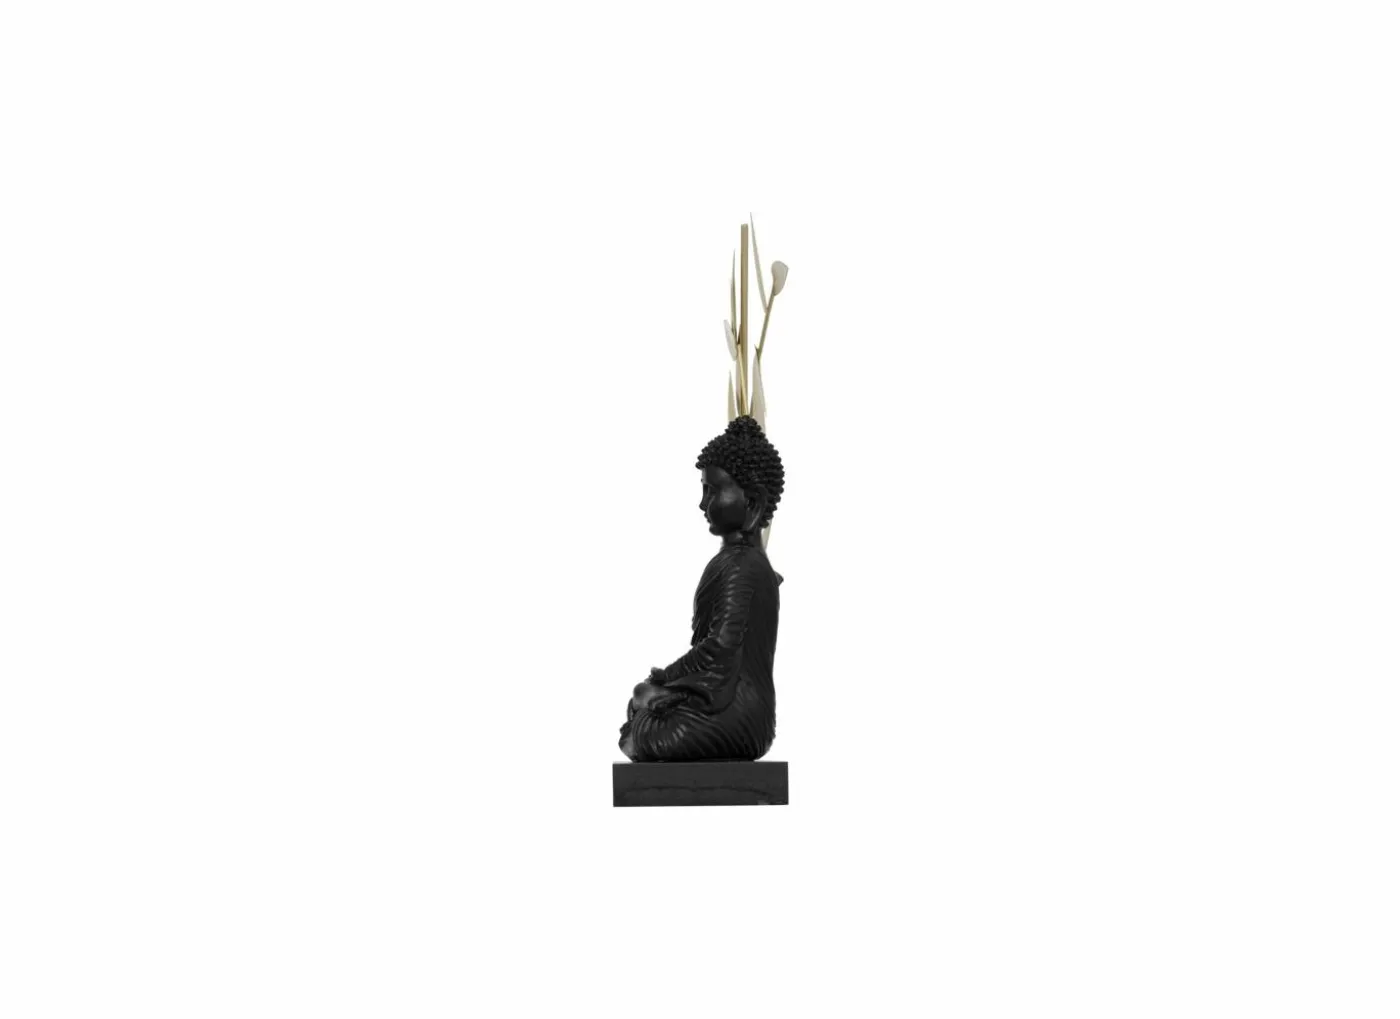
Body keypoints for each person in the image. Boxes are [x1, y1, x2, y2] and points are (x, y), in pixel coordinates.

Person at [619, 416, 785, 762]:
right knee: (642, 702)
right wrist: (669, 688)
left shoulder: (743, 566)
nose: (702, 503)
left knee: (643, 730)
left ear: (752, 503)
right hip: (724, 700)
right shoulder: (737, 562)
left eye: (712, 490)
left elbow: (719, 649)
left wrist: (667, 678)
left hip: (739, 715)